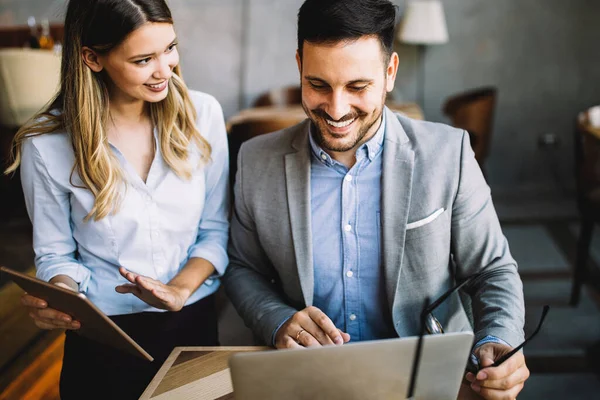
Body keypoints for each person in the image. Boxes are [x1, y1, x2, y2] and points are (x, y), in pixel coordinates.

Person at [223, 0, 529, 399]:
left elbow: (492, 269)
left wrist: (498, 337)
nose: (336, 109)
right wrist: (277, 319)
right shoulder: (254, 159)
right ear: (299, 65)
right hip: (309, 380)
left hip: (432, 379)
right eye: (318, 85)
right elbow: (242, 267)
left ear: (390, 73)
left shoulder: (448, 153)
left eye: (357, 87)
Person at [5, 0, 229, 398]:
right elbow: (56, 255)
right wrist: (60, 295)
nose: (166, 70)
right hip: (104, 336)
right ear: (92, 58)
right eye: (144, 59)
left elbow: (215, 230)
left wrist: (177, 291)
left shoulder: (204, 115)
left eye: (170, 49)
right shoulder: (45, 144)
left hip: (192, 321)